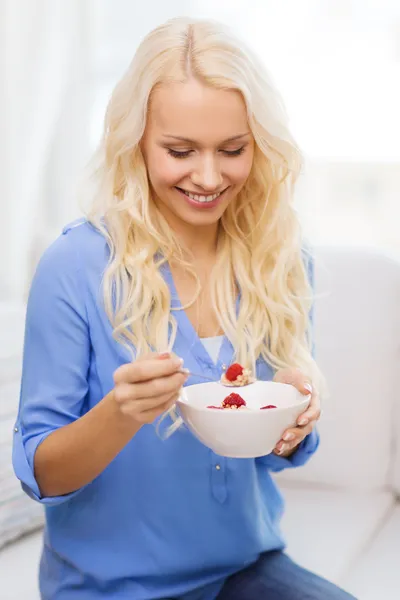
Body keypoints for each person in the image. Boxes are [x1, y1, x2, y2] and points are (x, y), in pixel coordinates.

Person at [12, 16, 356, 600]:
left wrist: (291, 424)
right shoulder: (75, 265)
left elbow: (271, 460)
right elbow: (41, 473)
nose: (208, 176)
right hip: (109, 587)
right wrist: (120, 412)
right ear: (136, 143)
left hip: (244, 570)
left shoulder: (279, 256)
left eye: (232, 150)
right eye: (179, 151)